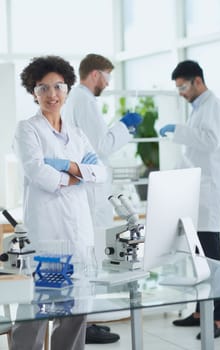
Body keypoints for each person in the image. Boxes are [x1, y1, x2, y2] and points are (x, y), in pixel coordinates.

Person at [11, 55, 108, 350]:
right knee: (36, 310)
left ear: (67, 89)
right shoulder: (28, 129)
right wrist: (79, 174)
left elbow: (100, 172)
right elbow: (39, 173)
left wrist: (67, 165)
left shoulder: (77, 133)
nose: (52, 95)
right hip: (47, 233)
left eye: (58, 87)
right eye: (43, 88)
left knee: (77, 311)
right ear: (33, 92)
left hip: (78, 232)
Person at [63, 53, 142, 344]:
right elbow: (101, 145)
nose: (108, 84)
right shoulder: (83, 100)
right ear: (95, 74)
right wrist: (123, 126)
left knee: (88, 259)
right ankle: (86, 324)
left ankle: (87, 323)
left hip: (89, 190)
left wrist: (119, 129)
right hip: (90, 192)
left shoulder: (80, 100)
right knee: (90, 258)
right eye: (107, 77)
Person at [159, 60, 220, 339]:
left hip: (209, 194)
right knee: (199, 258)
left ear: (198, 81)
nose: (181, 93)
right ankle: (201, 312)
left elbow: (211, 141)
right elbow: (194, 149)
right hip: (195, 191)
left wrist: (178, 131)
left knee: (213, 260)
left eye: (183, 87)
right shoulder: (199, 108)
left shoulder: (214, 106)